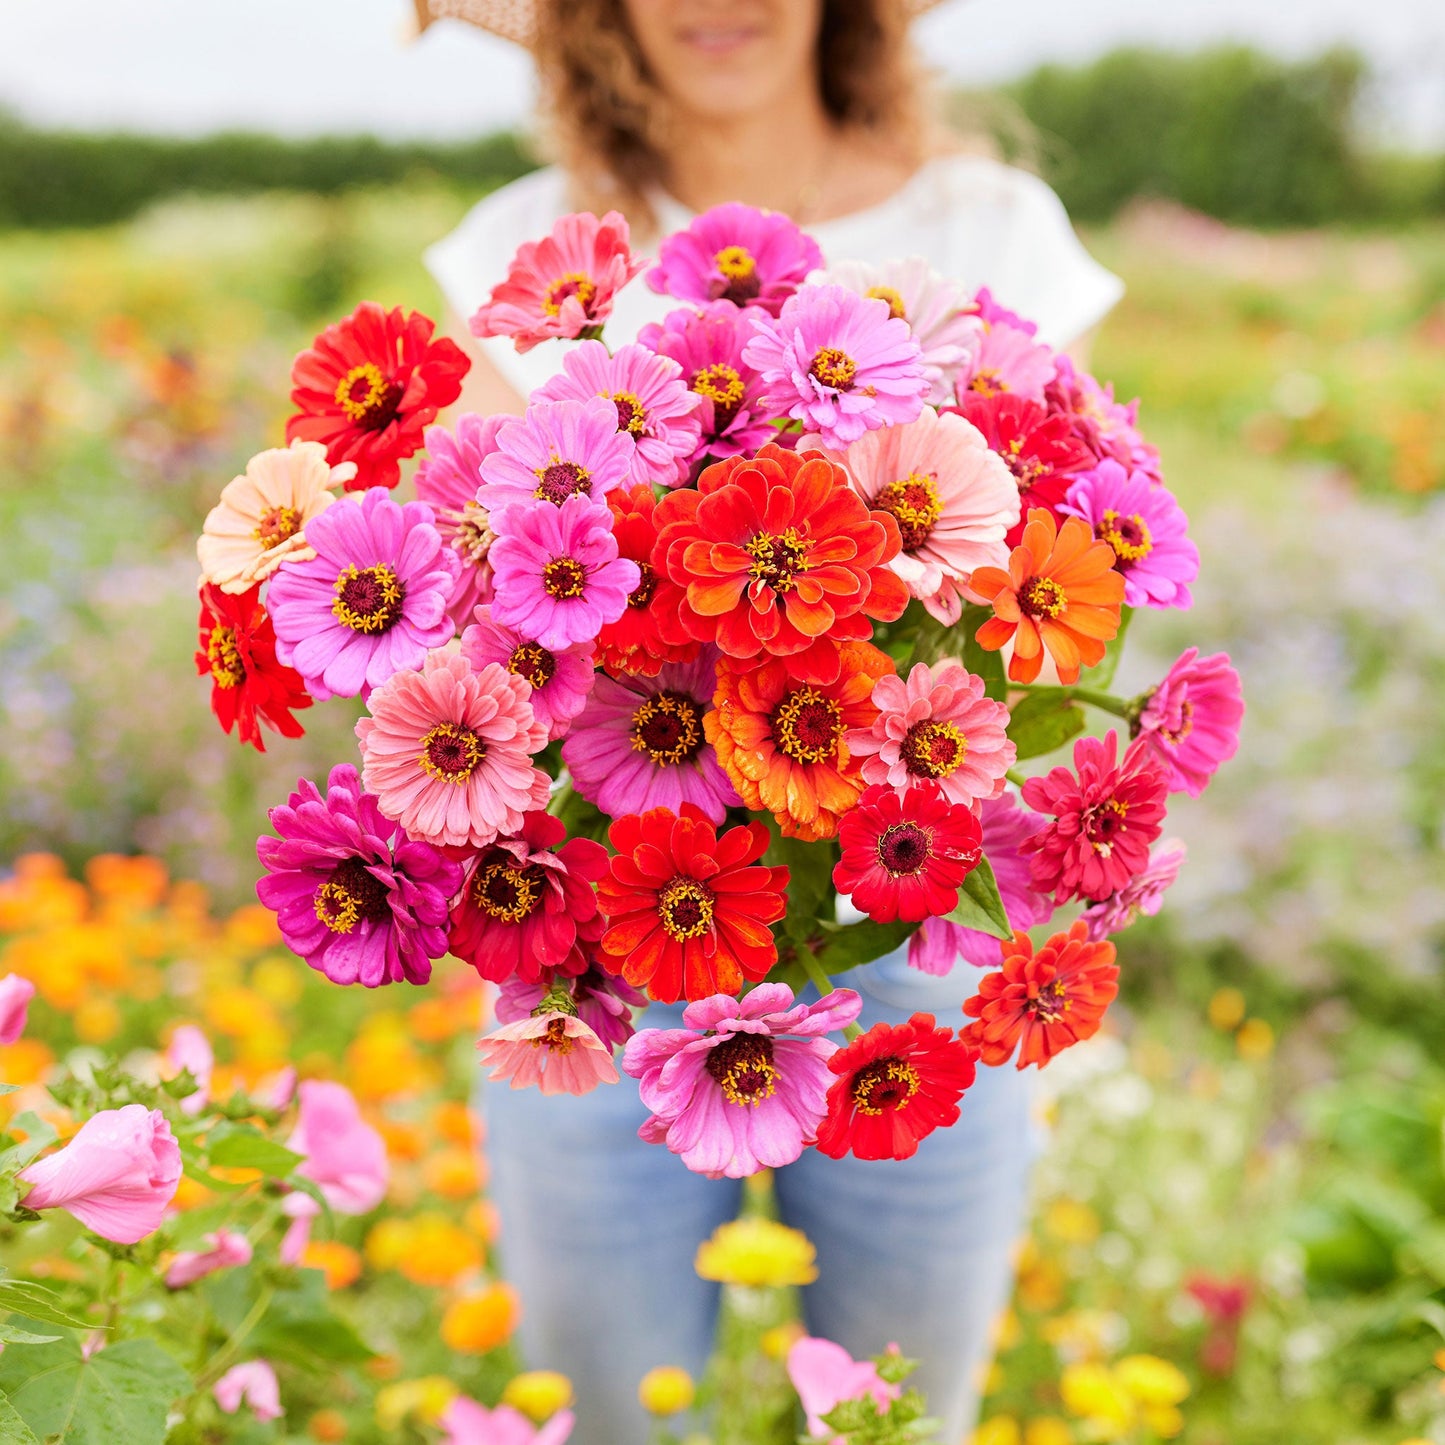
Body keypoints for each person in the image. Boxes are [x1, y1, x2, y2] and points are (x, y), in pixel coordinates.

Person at [418, 2, 1124, 1439]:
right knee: (614, 1415)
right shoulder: (530, 247)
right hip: (596, 955)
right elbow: (467, 572)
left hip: (903, 926)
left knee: (894, 1418)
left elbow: (1066, 545)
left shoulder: (985, 226)